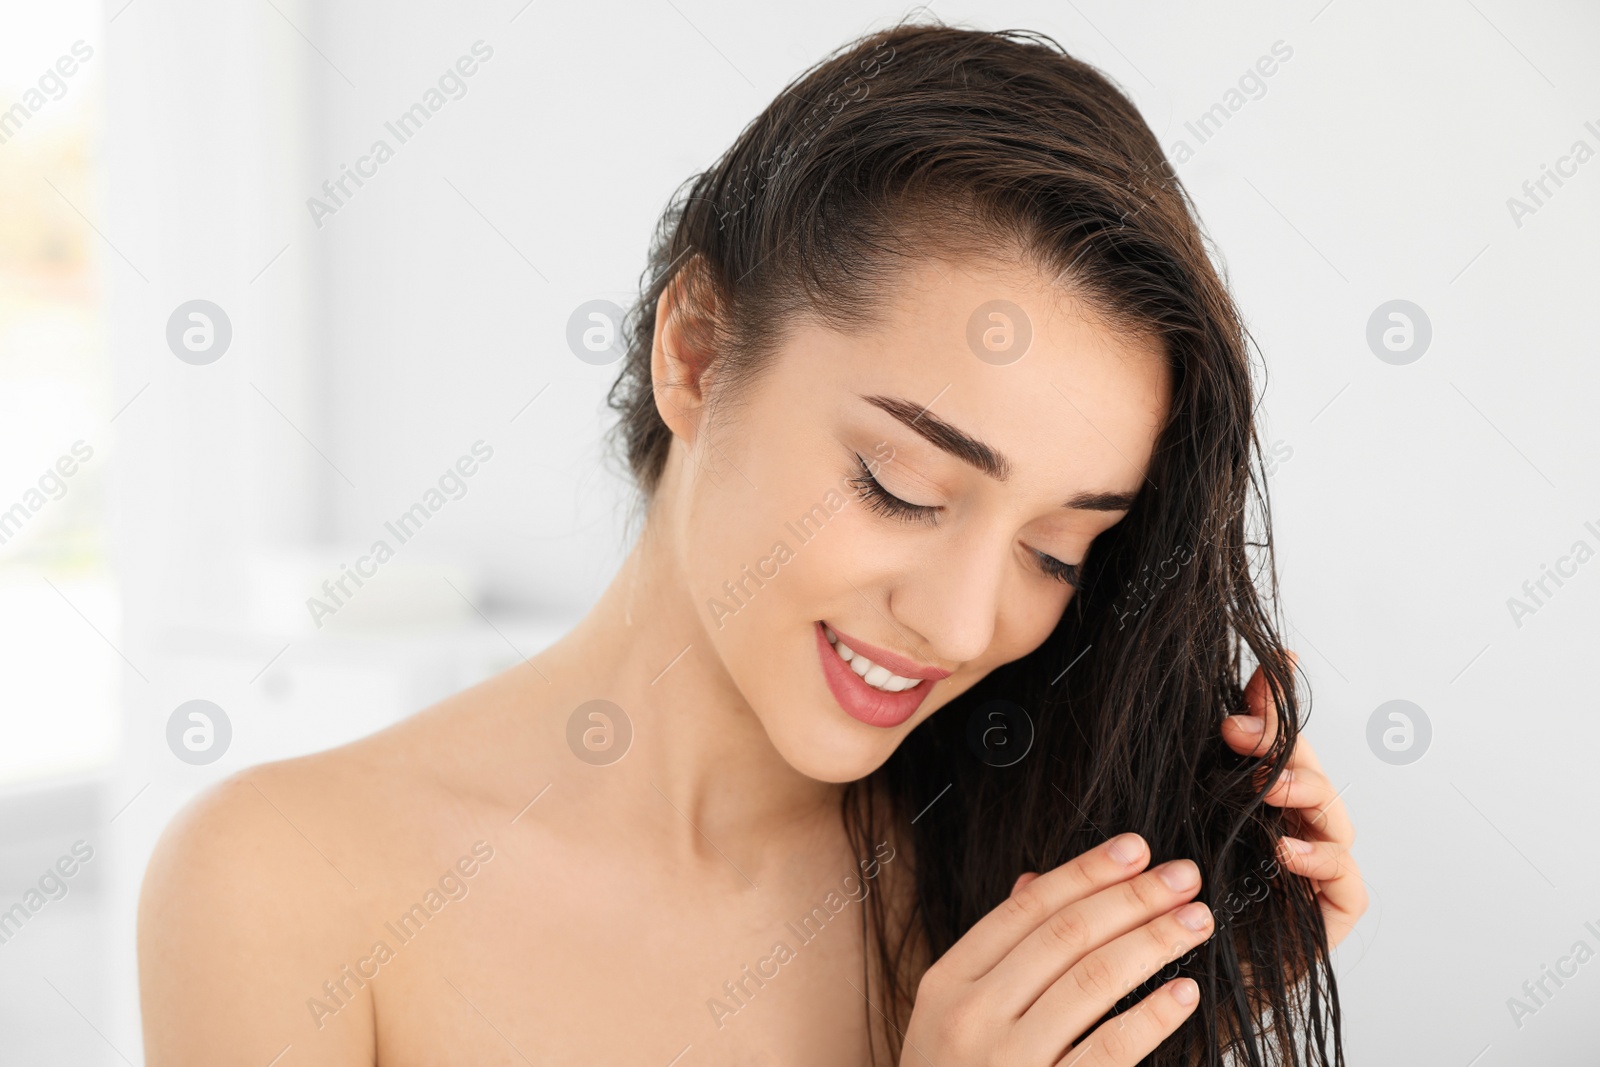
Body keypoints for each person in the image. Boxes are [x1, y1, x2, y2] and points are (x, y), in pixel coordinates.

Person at [138, 21, 1364, 1066]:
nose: (956, 620)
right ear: (696, 351)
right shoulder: (286, 885)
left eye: (1058, 549)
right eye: (901, 485)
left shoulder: (1030, 894)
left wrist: (1184, 1004)